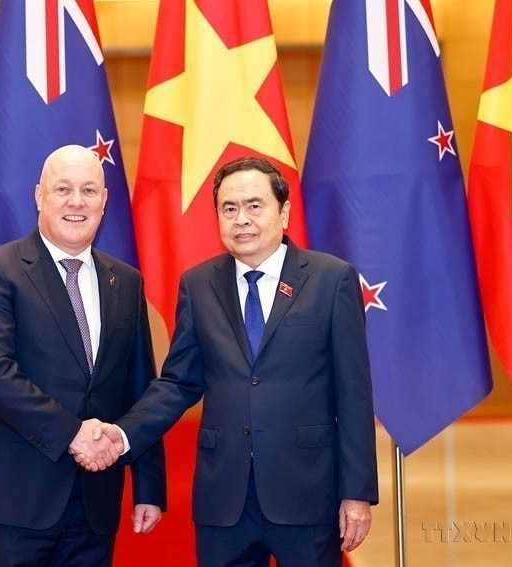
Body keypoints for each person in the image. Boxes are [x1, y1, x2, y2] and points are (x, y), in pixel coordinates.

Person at [79, 156, 378, 566]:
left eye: (255, 206)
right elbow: (179, 383)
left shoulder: (331, 280)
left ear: (283, 211)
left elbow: (354, 395)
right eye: (229, 209)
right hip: (224, 499)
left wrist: (357, 492)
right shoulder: (199, 285)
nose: (242, 219)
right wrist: (123, 434)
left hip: (308, 492)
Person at [0, 145, 166, 567]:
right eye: (63, 189)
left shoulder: (125, 281)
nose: (76, 202)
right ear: (39, 196)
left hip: (95, 502)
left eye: (89, 190)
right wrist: (74, 433)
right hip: (13, 498)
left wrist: (149, 486)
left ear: (104, 201)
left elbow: (140, 388)